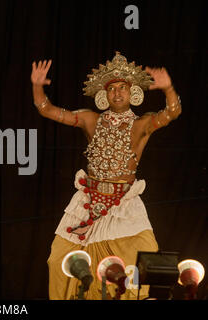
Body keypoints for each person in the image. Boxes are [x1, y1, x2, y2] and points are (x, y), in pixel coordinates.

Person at [30, 52, 182, 300]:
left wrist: (168, 89)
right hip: (87, 203)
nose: (117, 93)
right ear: (104, 94)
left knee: (142, 265)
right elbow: (46, 110)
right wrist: (37, 86)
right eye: (112, 89)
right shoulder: (91, 119)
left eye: (123, 87)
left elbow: (172, 112)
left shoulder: (141, 124)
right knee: (59, 262)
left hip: (124, 205)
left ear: (132, 92)